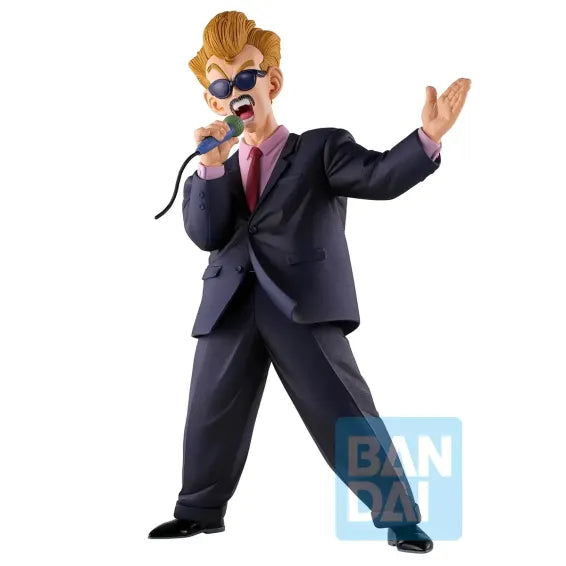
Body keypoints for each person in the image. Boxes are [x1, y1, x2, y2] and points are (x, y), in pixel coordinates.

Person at [149, 10, 471, 553]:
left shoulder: (320, 148)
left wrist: (427, 138)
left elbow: (379, 177)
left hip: (300, 304)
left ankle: (399, 517)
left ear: (271, 81)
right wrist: (211, 166)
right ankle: (199, 511)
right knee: (209, 411)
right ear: (212, 100)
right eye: (222, 86)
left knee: (343, 411)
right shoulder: (215, 165)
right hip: (229, 303)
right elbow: (206, 234)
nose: (235, 92)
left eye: (245, 77)